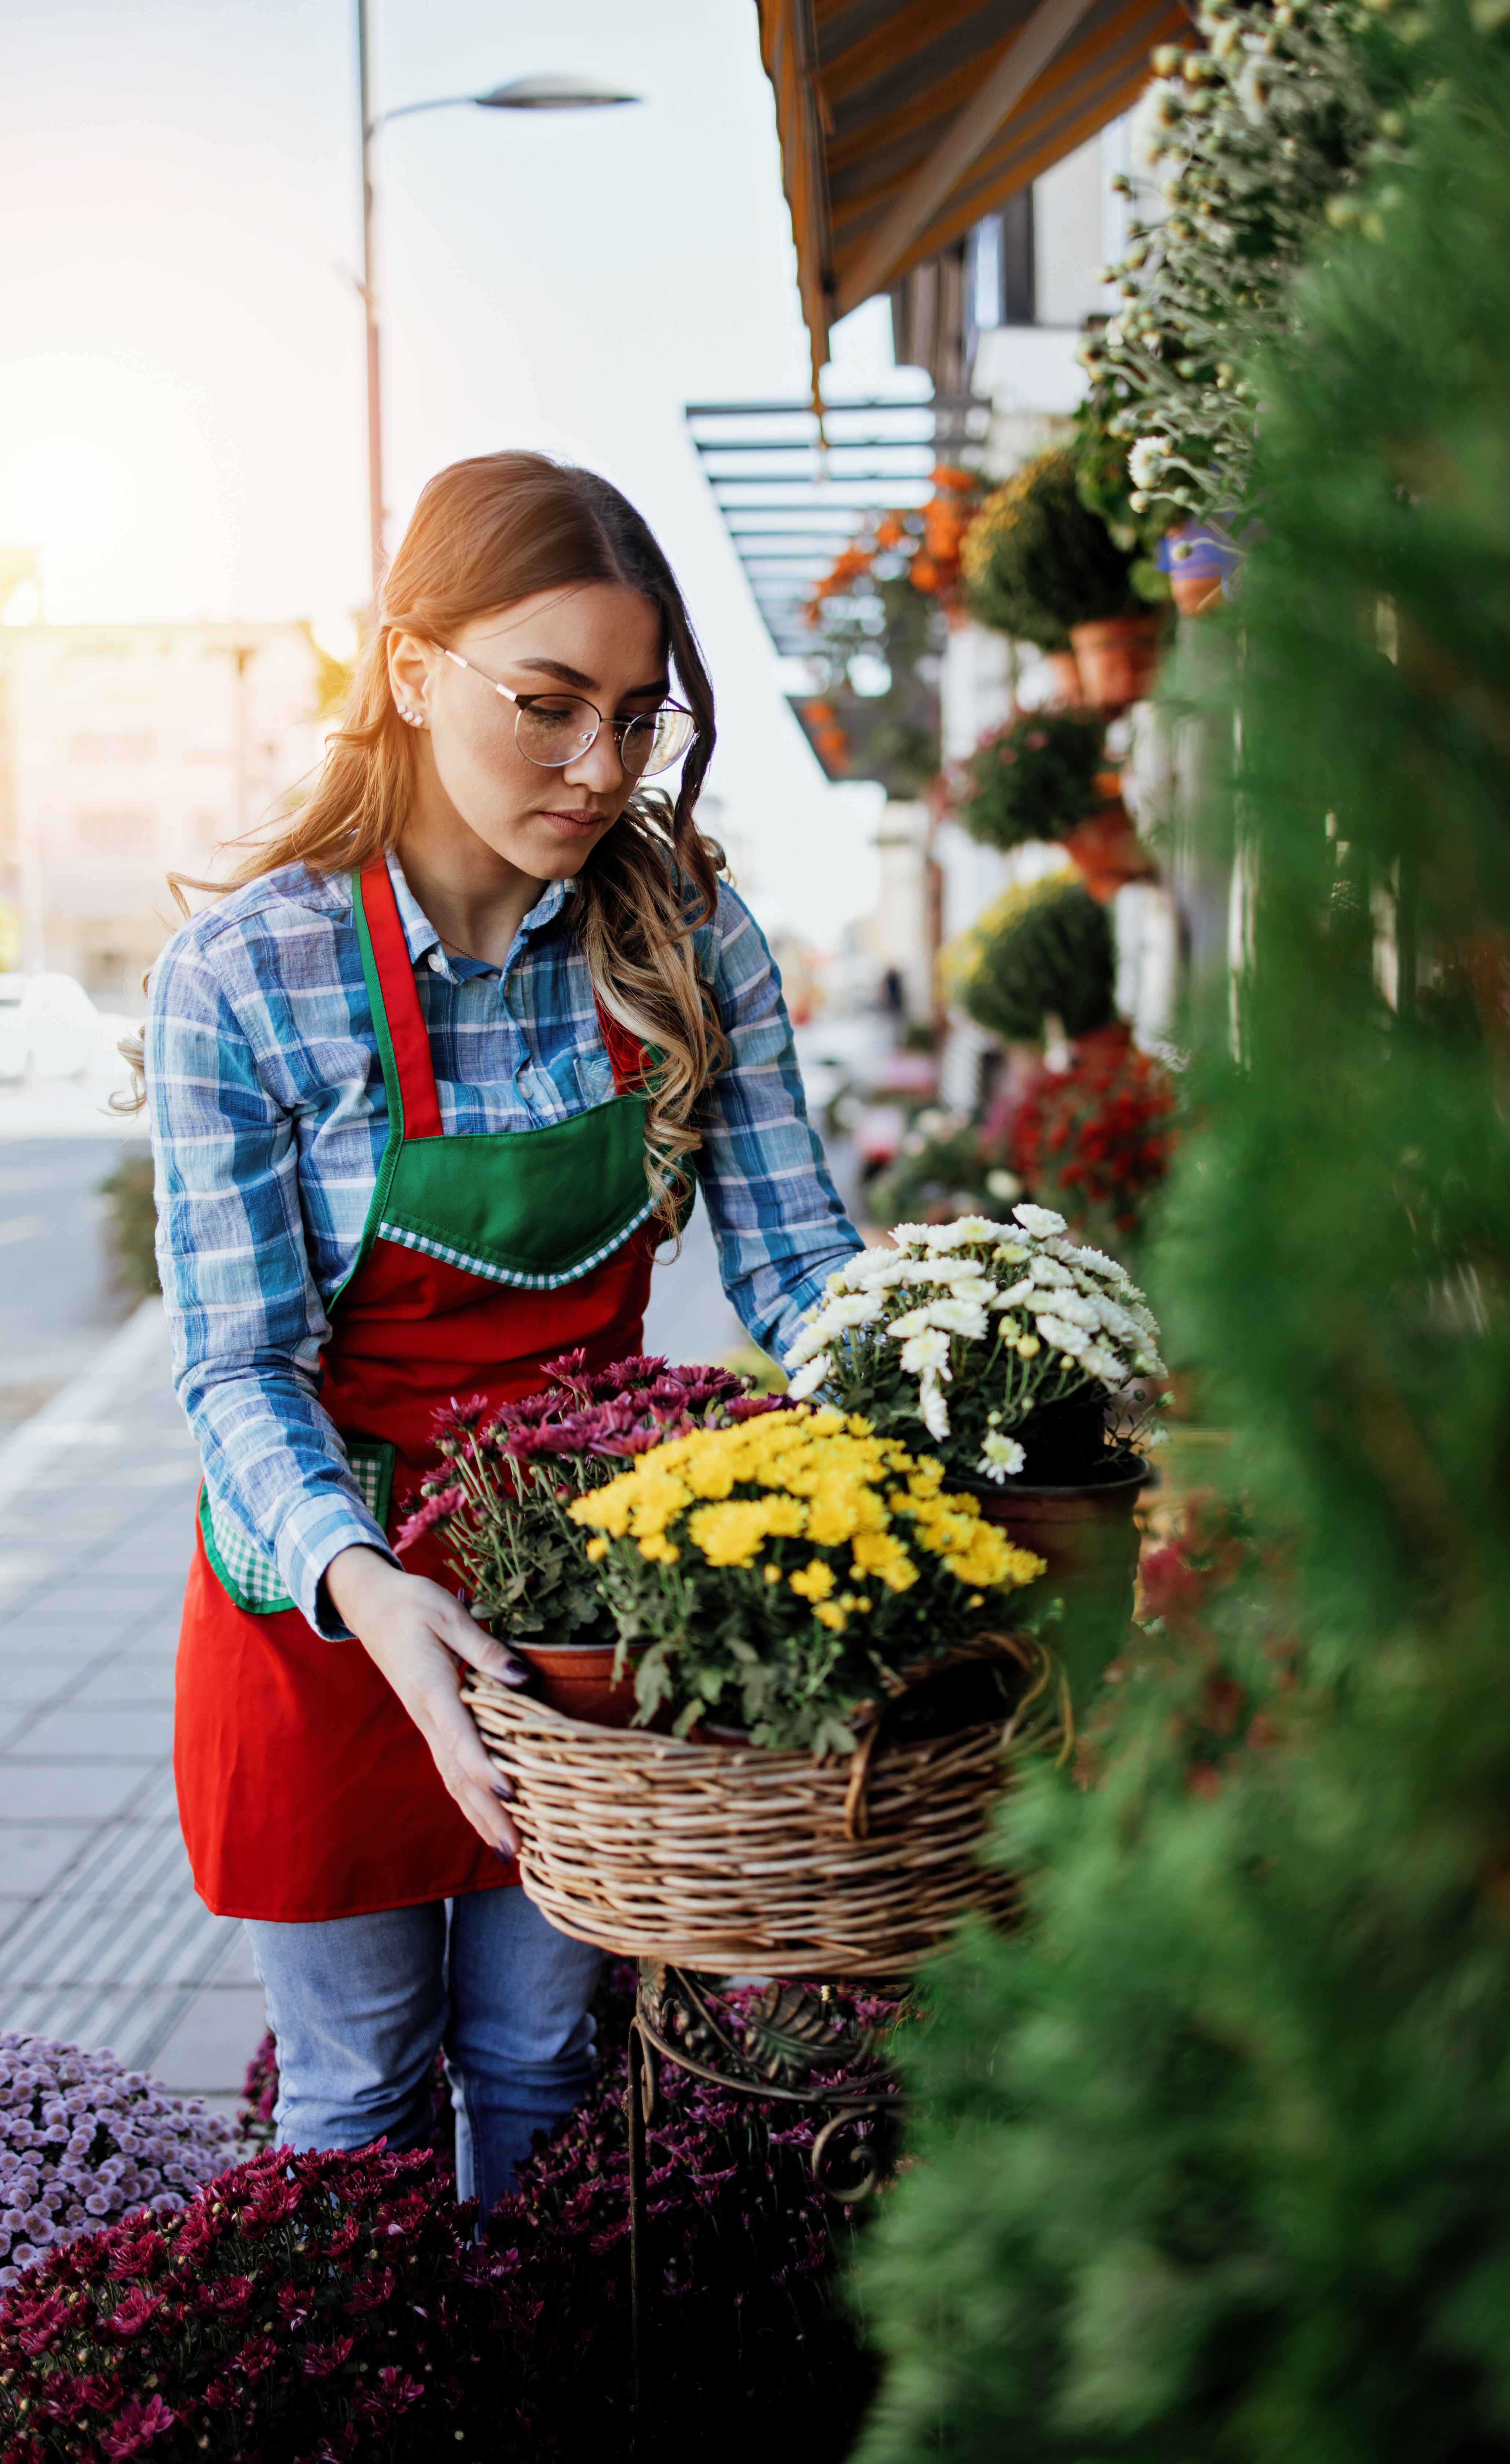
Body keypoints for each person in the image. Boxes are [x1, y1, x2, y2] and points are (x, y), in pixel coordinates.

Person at [146, 451, 861, 2213]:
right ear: (408, 671)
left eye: (637, 718)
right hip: (331, 1598)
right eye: (547, 708)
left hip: (585, 1610)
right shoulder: (246, 977)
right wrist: (371, 1586)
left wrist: (946, 1405)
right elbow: (239, 1365)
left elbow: (798, 1267)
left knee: (551, 2073)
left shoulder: (686, 938)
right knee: (356, 2099)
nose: (601, 770)